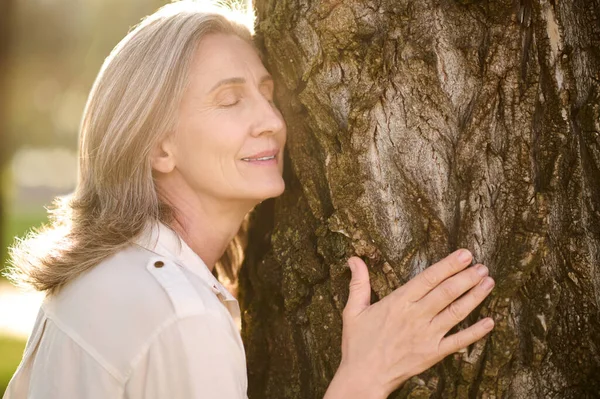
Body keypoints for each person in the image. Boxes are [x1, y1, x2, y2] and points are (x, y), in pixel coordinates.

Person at [3, 2, 496, 398]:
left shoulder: (104, 277)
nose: (273, 122)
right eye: (230, 99)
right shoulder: (180, 315)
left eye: (266, 93)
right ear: (158, 146)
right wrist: (366, 377)